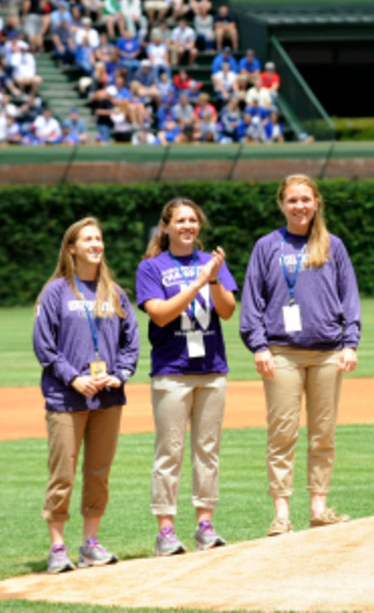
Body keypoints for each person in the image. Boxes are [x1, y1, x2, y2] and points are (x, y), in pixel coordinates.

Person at [240, 174, 361, 536]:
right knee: (282, 434)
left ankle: (318, 509)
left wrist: (350, 341)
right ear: (282, 204)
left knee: (323, 433)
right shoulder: (267, 246)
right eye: (293, 200)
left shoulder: (332, 245)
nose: (300, 206)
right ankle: (281, 514)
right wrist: (258, 344)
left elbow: (348, 296)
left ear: (316, 203)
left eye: (306, 199)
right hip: (282, 352)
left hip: (326, 353)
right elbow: (252, 300)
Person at [33, 217, 139, 573]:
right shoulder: (56, 292)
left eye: (99, 238)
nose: (96, 244)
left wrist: (119, 374)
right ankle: (58, 548)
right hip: (67, 398)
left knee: (98, 473)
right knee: (62, 473)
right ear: (71, 248)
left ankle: (90, 544)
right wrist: (73, 378)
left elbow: (131, 342)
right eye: (87, 239)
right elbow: (45, 346)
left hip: (107, 398)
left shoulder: (115, 292)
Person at [136, 199, 238, 556]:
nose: (188, 226)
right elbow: (160, 315)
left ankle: (205, 525)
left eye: (193, 220)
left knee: (207, 450)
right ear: (165, 227)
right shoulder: (151, 267)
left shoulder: (211, 262)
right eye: (180, 220)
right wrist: (196, 284)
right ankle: (165, 531)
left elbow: (226, 311)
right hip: (172, 371)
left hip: (211, 369)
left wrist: (212, 279)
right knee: (170, 452)